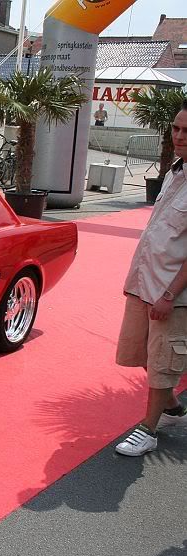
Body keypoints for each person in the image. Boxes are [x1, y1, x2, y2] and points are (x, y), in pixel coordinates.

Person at [114, 99, 187, 457]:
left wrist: (170, 295)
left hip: (172, 293)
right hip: (144, 283)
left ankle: (149, 430)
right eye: (176, 128)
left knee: (161, 361)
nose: (179, 136)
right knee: (141, 352)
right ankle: (172, 407)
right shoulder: (175, 171)